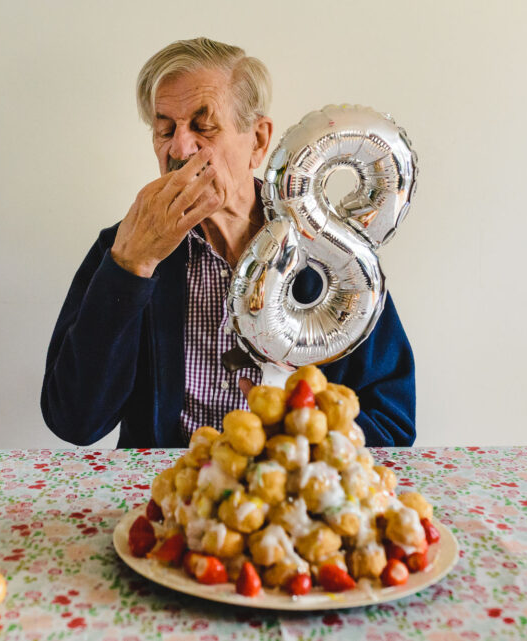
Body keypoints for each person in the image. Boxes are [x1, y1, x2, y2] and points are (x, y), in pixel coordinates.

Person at [41, 37, 415, 448]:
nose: (180, 148)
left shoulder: (323, 245)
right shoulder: (125, 248)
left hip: (287, 491)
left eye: (203, 126)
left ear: (257, 140)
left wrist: (293, 435)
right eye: (164, 129)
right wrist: (131, 268)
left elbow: (393, 421)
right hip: (171, 494)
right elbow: (74, 421)